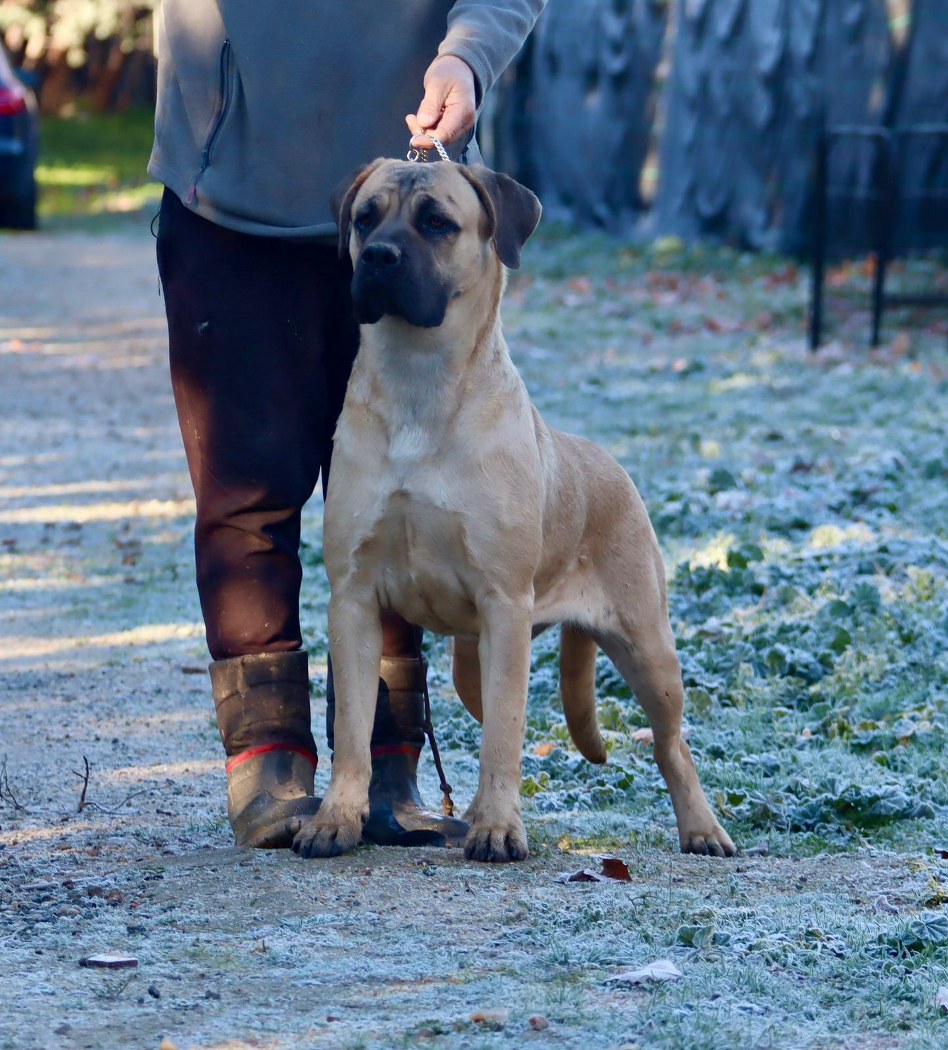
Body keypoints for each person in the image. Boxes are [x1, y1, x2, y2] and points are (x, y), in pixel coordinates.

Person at [150, 2, 547, 850]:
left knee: (411, 480)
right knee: (246, 489)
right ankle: (268, 762)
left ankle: (386, 767)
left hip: (412, 176)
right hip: (233, 193)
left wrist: (468, 58)